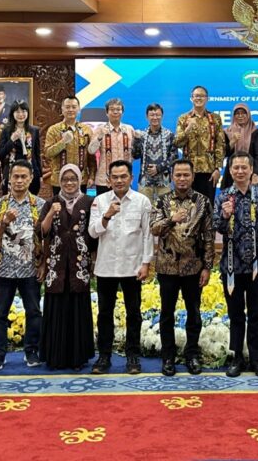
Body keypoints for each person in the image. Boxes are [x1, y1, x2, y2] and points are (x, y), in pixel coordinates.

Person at [150, 159, 215, 377]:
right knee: (167, 313)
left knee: (194, 313)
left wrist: (207, 267)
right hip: (167, 268)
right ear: (172, 176)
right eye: (178, 175)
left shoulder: (203, 202)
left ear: (193, 176)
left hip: (193, 267)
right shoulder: (162, 201)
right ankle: (168, 357)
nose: (182, 178)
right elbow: (154, 229)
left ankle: (192, 354)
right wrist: (172, 219)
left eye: (186, 175)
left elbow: (208, 236)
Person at [88, 160, 153, 375]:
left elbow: (147, 235)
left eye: (123, 176)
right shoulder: (99, 201)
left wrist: (146, 263)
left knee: (133, 313)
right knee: (105, 314)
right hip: (106, 266)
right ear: (108, 180)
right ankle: (104, 356)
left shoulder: (142, 201)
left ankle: (133, 356)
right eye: (114, 177)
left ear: (131, 178)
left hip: (133, 266)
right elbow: (92, 232)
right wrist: (107, 215)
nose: (119, 180)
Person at [214, 153, 258, 377]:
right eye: (235, 168)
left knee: (256, 313)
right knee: (236, 313)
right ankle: (237, 357)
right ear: (230, 171)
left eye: (243, 167)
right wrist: (224, 215)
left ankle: (257, 359)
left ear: (251, 170)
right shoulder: (223, 196)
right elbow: (217, 227)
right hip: (232, 265)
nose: (239, 171)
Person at [0, 160, 45, 371]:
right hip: (4, 268)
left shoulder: (39, 204)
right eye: (15, 177)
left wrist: (43, 265)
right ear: (9, 179)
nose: (19, 181)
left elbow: (46, 237)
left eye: (23, 177)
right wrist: (3, 223)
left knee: (34, 312)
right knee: (0, 314)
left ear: (31, 179)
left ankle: (31, 351)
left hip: (30, 268)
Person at [37, 164, 96, 370]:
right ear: (59, 181)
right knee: (57, 309)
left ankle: (77, 358)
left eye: (73, 179)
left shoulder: (89, 202)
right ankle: (55, 357)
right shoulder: (51, 202)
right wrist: (51, 214)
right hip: (57, 265)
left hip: (80, 264)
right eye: (65, 179)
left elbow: (94, 233)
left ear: (79, 180)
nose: (69, 183)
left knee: (78, 310)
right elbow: (42, 232)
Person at [174, 86, 225, 202]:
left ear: (207, 99)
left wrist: (218, 168)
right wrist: (188, 129)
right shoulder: (183, 118)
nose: (199, 98)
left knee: (207, 206)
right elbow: (177, 142)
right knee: (188, 206)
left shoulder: (215, 119)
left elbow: (220, 144)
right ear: (191, 98)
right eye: (196, 96)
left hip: (209, 170)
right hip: (188, 171)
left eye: (202, 96)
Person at [44, 96, 97, 195]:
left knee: (80, 208)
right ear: (62, 109)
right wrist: (63, 142)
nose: (71, 110)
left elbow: (91, 156)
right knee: (60, 209)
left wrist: (92, 176)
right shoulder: (54, 129)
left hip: (81, 179)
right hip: (59, 180)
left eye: (74, 107)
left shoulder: (86, 130)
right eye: (67, 107)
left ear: (79, 109)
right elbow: (48, 153)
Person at [133, 103, 178, 206]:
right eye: (152, 115)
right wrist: (136, 140)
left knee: (166, 210)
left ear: (162, 116)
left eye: (157, 115)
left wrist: (158, 168)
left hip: (164, 180)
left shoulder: (169, 135)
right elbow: (135, 155)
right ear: (147, 116)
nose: (155, 117)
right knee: (144, 210)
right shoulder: (142, 135)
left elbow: (174, 157)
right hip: (145, 181)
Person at [88, 97, 136, 195]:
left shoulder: (129, 129)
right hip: (104, 180)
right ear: (106, 112)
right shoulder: (100, 129)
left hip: (124, 179)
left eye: (118, 109)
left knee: (125, 208)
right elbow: (91, 151)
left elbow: (136, 152)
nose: (115, 112)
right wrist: (99, 138)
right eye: (112, 109)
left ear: (122, 112)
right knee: (104, 209)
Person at [0, 100, 42, 195]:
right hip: (11, 172)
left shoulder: (34, 130)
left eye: (24, 111)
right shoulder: (6, 130)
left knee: (31, 202)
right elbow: (1, 153)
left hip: (31, 172)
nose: (21, 114)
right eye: (17, 112)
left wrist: (40, 175)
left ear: (28, 113)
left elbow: (37, 154)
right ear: (12, 114)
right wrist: (12, 140)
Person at [221, 102, 258, 190]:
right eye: (237, 113)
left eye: (243, 113)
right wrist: (233, 141)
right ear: (234, 116)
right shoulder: (227, 131)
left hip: (251, 172)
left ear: (248, 115)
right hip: (232, 172)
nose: (240, 116)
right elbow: (223, 154)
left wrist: (256, 173)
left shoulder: (256, 132)